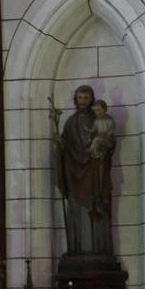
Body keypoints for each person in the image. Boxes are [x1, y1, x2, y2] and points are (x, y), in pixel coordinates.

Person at [52, 84, 115, 255]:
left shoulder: (99, 119)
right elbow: (65, 147)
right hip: (74, 175)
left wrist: (103, 145)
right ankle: (76, 249)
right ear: (76, 99)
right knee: (76, 209)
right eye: (80, 98)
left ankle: (100, 249)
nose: (82, 102)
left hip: (94, 173)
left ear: (92, 100)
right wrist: (60, 145)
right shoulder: (70, 122)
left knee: (96, 207)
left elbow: (109, 142)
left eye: (86, 98)